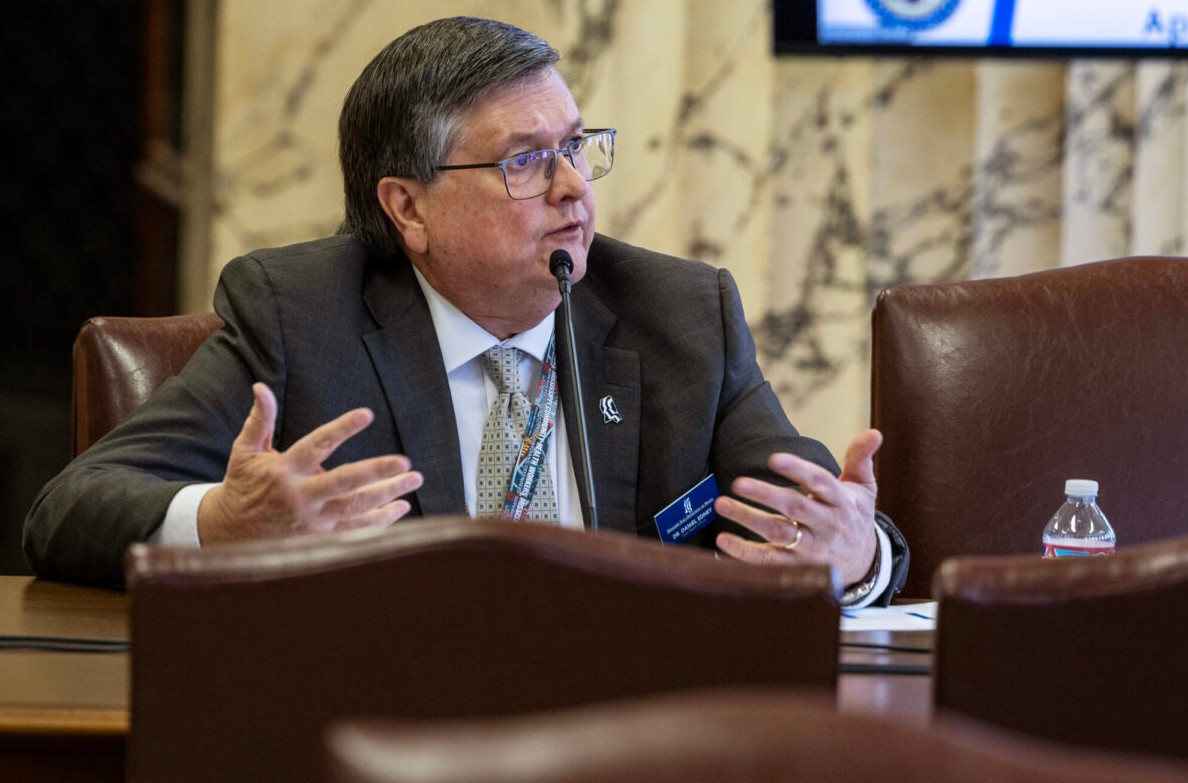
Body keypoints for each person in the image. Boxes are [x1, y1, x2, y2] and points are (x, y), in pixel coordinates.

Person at [24, 16, 907, 605]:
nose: (573, 188)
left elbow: (813, 512)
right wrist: (222, 524)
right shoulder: (301, 316)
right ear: (408, 208)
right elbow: (70, 510)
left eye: (576, 147)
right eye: (525, 162)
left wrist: (856, 553)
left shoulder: (680, 315)